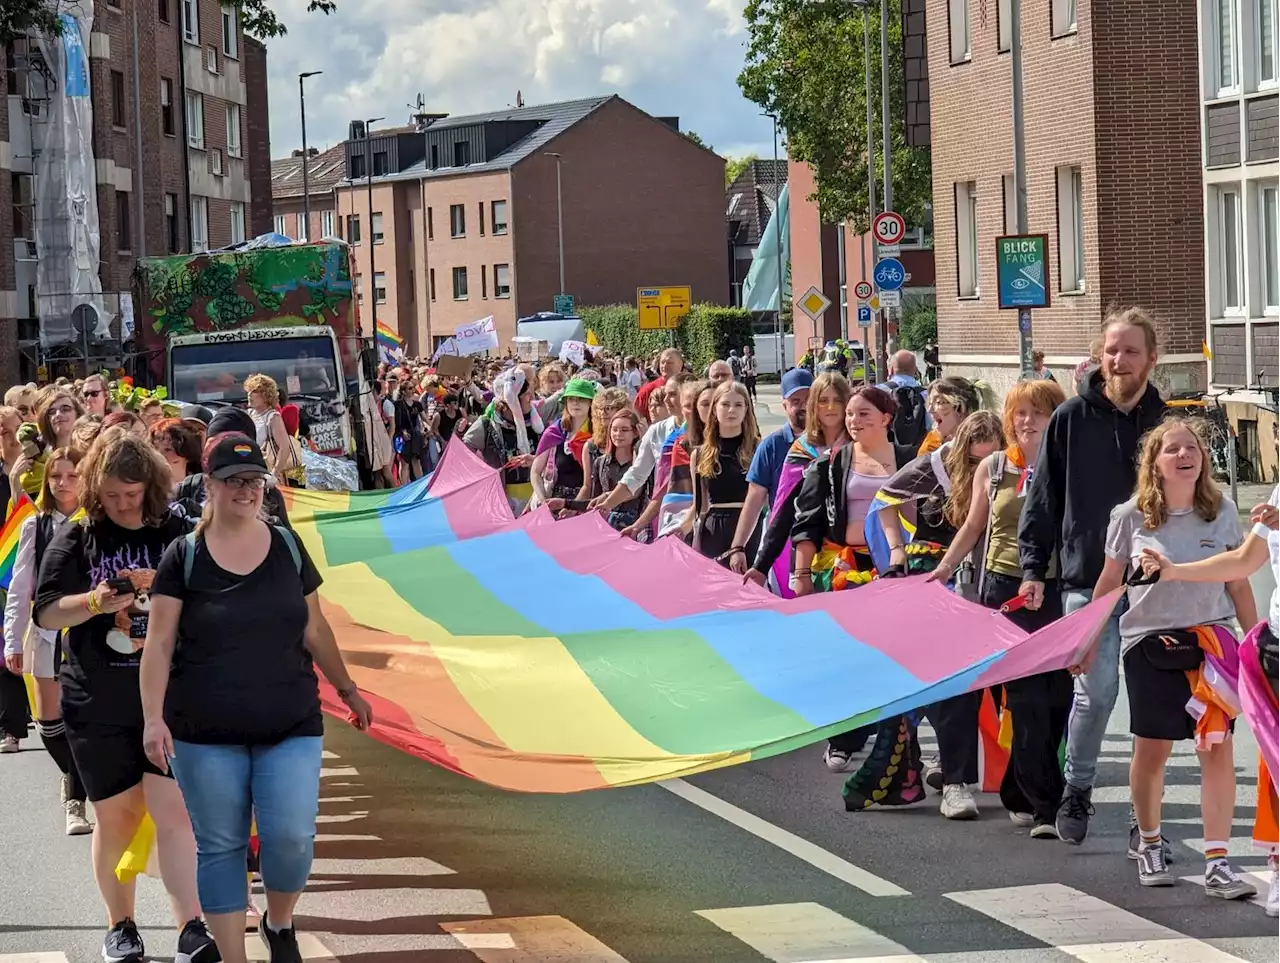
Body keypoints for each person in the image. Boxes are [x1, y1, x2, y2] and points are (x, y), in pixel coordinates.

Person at [140, 433, 373, 963]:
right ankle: (232, 956)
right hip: (203, 730)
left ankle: (279, 920)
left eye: (254, 481)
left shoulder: (288, 546)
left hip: (289, 720)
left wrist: (348, 688)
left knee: (290, 837)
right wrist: (153, 718)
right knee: (221, 846)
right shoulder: (186, 555)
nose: (246, 491)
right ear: (211, 486)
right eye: (233, 481)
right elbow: (158, 643)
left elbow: (315, 628)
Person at [34, 431, 217, 963]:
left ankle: (191, 926)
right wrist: (93, 600)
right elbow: (47, 611)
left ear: (151, 487)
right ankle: (122, 926)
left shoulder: (179, 531)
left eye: (131, 495)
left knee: (173, 813)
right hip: (98, 700)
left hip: (171, 699)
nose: (121, 504)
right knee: (116, 817)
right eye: (111, 495)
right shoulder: (78, 535)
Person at [1018, 307, 1168, 845]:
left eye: (1130, 350)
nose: (1119, 359)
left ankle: (1142, 817)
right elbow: (1043, 498)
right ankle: (1076, 790)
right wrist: (1033, 568)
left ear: (1152, 357)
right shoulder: (1071, 418)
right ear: (1099, 354)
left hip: (1157, 585)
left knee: (1152, 703)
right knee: (1096, 693)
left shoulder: (1166, 423)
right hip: (1088, 580)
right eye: (1111, 349)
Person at [1097, 420, 1255, 898]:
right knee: (1152, 749)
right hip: (1150, 643)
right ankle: (1148, 842)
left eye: (1193, 447)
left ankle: (1218, 861)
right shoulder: (1130, 516)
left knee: (1217, 750)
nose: (1185, 454)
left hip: (1212, 645)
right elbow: (1109, 584)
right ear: (1155, 463)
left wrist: (1254, 641)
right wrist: (1083, 643)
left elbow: (1240, 581)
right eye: (1172, 449)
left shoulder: (1222, 511)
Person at [930, 379, 1068, 834]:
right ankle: (1026, 794)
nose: (1027, 422)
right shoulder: (995, 467)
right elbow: (972, 527)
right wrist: (943, 571)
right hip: (1002, 590)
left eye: (1039, 413)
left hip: (1053, 590)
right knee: (1007, 695)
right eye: (1020, 413)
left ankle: (1025, 790)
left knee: (1048, 701)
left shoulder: (1067, 466)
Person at [866, 411, 1004, 820]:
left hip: (992, 582)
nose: (982, 469)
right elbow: (886, 500)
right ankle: (954, 781)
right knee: (950, 687)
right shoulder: (935, 465)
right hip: (938, 586)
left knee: (1003, 685)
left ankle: (1017, 779)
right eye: (975, 460)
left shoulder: (1010, 468)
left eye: (989, 459)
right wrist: (895, 549)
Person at [791, 386, 917, 787]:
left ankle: (896, 743)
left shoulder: (912, 458)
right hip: (846, 568)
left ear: (886, 418)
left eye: (864, 414)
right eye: (850, 414)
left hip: (899, 569)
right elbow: (806, 522)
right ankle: (844, 737)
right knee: (847, 657)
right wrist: (803, 574)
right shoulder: (833, 462)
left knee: (896, 660)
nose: (853, 421)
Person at [3, 447, 93, 833]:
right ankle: (72, 775)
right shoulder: (34, 524)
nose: (63, 483)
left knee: (82, 720)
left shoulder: (96, 520)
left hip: (89, 633)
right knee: (48, 722)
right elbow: (20, 588)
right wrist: (12, 640)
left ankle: (76, 801)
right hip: (46, 631)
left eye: (72, 476)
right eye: (56, 476)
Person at [744, 372, 850, 594]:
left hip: (858, 553)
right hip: (809, 556)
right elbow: (784, 511)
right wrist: (761, 565)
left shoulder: (861, 444)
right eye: (822, 400)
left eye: (838, 399)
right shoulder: (801, 451)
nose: (830, 407)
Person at [729, 369, 812, 573]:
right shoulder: (772, 445)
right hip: (784, 541)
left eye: (808, 399)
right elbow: (755, 498)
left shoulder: (832, 440)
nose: (803, 406)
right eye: (795, 401)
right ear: (784, 405)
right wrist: (738, 546)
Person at [686, 382, 761, 565]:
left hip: (750, 525)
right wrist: (679, 529)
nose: (731, 410)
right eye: (725, 404)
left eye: (738, 405)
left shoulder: (758, 448)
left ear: (746, 410)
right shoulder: (700, 453)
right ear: (715, 409)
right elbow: (699, 505)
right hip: (714, 529)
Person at [532, 378, 596, 510]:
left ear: (591, 403)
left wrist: (573, 508)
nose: (576, 403)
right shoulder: (555, 431)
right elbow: (535, 472)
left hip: (588, 504)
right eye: (571, 399)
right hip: (556, 504)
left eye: (581, 398)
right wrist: (543, 501)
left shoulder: (599, 434)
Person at [244, 375, 301, 484]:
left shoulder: (273, 417)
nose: (249, 395)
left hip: (269, 476)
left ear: (266, 396)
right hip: (255, 473)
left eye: (254, 391)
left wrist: (274, 474)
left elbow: (284, 448)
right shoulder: (251, 414)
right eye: (249, 391)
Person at [881, 350, 929, 449]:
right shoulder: (927, 394)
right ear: (915, 370)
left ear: (891, 369)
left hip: (887, 449)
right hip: (918, 450)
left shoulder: (880, 391)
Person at [634, 348, 684, 419]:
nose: (664, 366)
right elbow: (636, 415)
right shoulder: (648, 390)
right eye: (662, 362)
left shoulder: (688, 388)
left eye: (669, 363)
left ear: (680, 365)